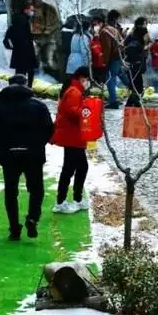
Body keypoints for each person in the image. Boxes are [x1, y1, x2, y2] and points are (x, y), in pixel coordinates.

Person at [0, 74, 53, 240]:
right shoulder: (39, 106)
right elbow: (49, 129)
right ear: (26, 85)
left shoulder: (0, 106)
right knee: (36, 189)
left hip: (9, 154)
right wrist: (38, 144)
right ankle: (32, 218)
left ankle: (14, 228)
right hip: (33, 154)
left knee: (11, 192)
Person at [51, 67, 93, 214]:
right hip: (72, 136)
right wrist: (88, 111)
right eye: (87, 79)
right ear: (82, 78)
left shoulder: (74, 90)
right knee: (69, 169)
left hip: (74, 136)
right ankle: (61, 202)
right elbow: (72, 112)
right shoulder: (74, 92)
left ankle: (77, 199)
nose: (88, 82)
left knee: (81, 167)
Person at [3, 1, 39, 87]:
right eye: (31, 10)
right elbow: (28, 37)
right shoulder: (25, 22)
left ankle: (17, 90)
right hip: (27, 52)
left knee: (20, 73)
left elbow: (7, 39)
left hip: (19, 52)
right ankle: (27, 90)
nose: (32, 12)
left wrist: (13, 47)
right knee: (29, 73)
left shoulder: (16, 21)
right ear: (25, 10)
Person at [123, 17, 151, 107]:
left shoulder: (131, 32)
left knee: (133, 81)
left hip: (129, 61)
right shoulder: (143, 31)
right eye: (145, 23)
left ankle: (131, 102)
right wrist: (145, 48)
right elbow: (148, 43)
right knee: (138, 83)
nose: (145, 25)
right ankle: (134, 101)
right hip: (139, 60)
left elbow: (124, 43)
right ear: (143, 24)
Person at [100, 10, 124, 109]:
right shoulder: (115, 29)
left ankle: (113, 101)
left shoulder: (105, 31)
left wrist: (104, 63)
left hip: (112, 58)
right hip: (118, 56)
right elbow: (122, 41)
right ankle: (136, 91)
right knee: (122, 75)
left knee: (111, 78)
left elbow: (107, 48)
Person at [89, 18, 106, 87]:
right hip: (97, 63)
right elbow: (96, 52)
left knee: (99, 78)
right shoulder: (94, 40)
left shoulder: (102, 34)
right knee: (99, 78)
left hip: (100, 63)